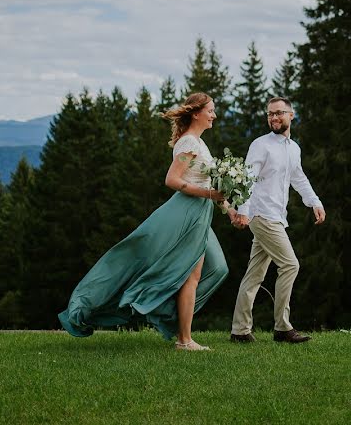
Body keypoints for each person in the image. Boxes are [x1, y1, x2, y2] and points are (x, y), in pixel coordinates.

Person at [58, 92, 237, 351]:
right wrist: (209, 194)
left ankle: (173, 319)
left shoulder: (200, 144)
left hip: (201, 212)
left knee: (218, 268)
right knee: (192, 274)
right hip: (187, 212)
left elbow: (209, 184)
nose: (214, 115)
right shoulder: (189, 143)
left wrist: (229, 210)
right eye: (210, 110)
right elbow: (172, 180)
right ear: (196, 113)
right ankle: (184, 339)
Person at [229, 96, 326, 344]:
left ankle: (240, 331)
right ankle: (282, 327)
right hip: (261, 215)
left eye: (279, 113)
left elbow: (298, 178)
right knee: (290, 265)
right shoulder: (260, 145)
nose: (274, 117)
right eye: (270, 114)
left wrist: (315, 202)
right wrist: (243, 209)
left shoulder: (294, 149)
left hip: (276, 217)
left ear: (291, 115)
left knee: (254, 274)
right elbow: (246, 179)